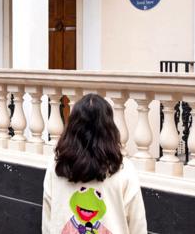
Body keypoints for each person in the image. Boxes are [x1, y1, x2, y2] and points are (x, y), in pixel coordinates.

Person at [42, 93, 147, 234]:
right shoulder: (125, 170)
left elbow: (48, 223)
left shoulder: (56, 167)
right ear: (109, 129)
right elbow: (137, 225)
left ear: (72, 127)